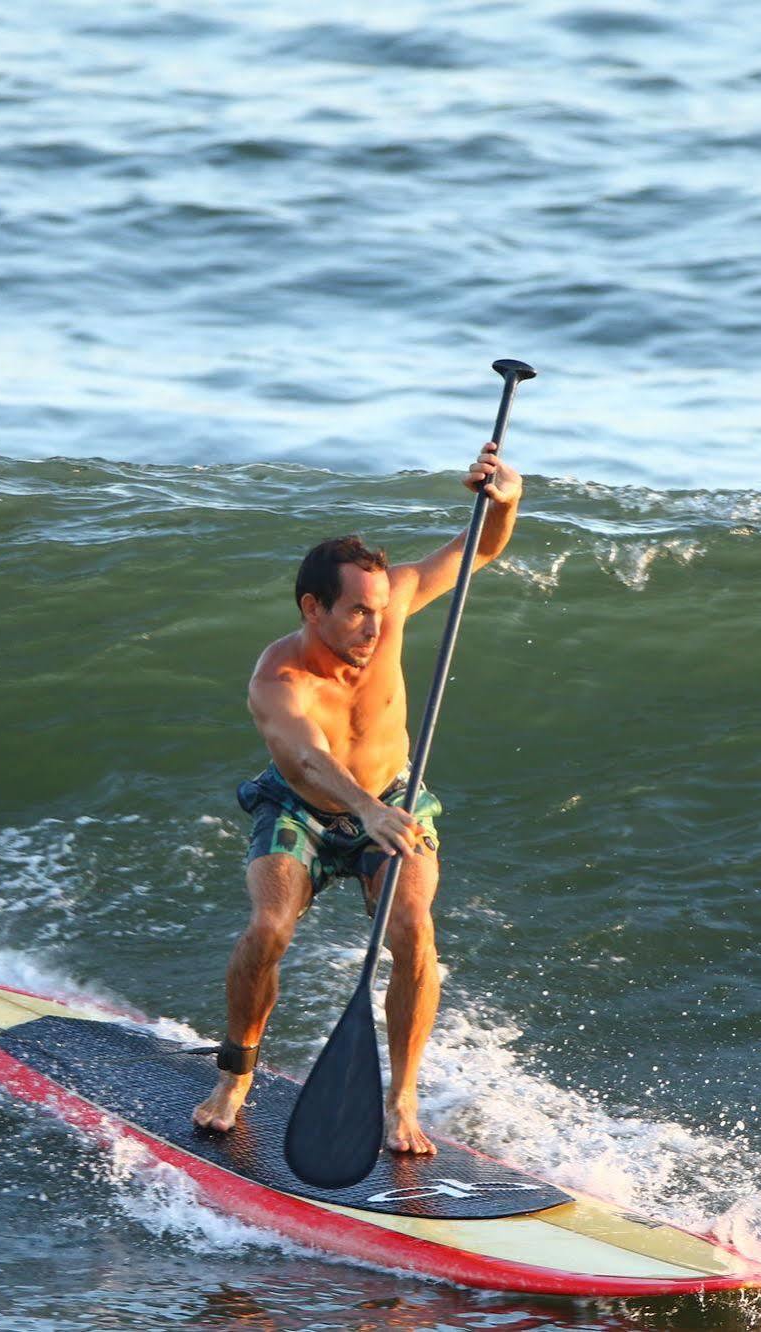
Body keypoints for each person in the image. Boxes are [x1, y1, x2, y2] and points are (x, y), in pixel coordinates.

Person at [191, 441, 523, 1154]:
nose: (375, 628)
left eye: (378, 611)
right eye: (355, 614)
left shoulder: (392, 602)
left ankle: (400, 1100)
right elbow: (304, 758)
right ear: (312, 608)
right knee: (268, 930)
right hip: (301, 808)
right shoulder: (277, 679)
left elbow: (479, 551)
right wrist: (361, 811)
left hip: (394, 795)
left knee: (413, 934)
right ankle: (235, 1073)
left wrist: (507, 499)